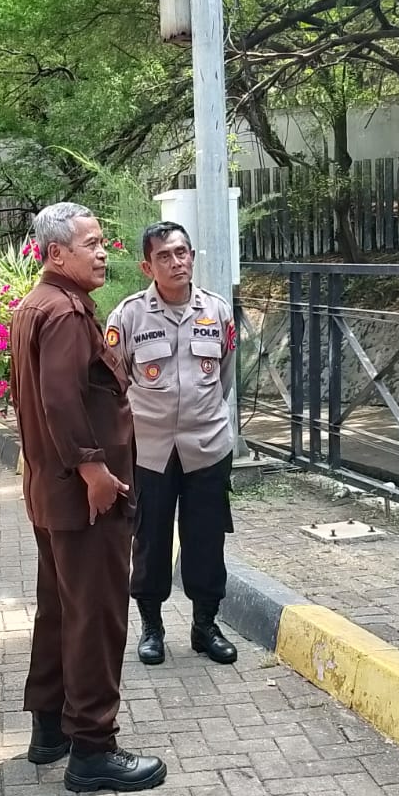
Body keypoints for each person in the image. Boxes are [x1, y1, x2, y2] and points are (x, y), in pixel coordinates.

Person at [8, 202, 167, 792]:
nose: (103, 253)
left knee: (60, 610)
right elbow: (60, 398)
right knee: (96, 616)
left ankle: (50, 728)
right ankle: (93, 749)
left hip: (52, 492)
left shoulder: (37, 305)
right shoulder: (66, 313)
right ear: (56, 253)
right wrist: (94, 468)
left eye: (103, 242)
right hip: (85, 497)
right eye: (91, 244)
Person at [105, 221, 238, 668]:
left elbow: (224, 376)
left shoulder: (217, 311)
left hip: (207, 447)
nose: (176, 262)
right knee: (150, 540)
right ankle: (152, 628)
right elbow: (114, 384)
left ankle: (205, 626)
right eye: (164, 256)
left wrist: (200, 417)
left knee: (207, 539)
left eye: (182, 252)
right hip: (150, 450)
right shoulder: (127, 317)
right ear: (147, 266)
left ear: (192, 256)